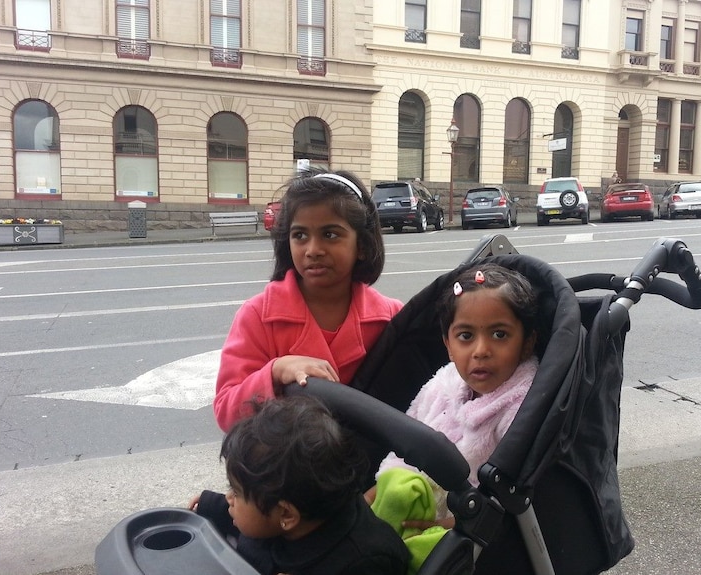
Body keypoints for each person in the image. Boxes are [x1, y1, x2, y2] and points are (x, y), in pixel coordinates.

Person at [214, 169, 403, 431]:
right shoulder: (257, 315)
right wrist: (275, 372)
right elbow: (226, 412)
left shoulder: (392, 318)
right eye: (300, 235)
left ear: (362, 245)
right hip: (289, 467)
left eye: (330, 234)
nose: (313, 250)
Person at [370, 262, 539, 528]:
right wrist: (377, 491)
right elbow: (406, 444)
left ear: (527, 343)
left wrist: (447, 527)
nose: (481, 350)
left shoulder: (520, 406)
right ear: (448, 345)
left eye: (499, 334)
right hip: (418, 500)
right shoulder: (443, 383)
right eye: (466, 336)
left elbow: (510, 500)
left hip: (467, 527)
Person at [190, 396, 410, 575]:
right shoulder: (295, 506)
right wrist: (214, 506)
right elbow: (255, 517)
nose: (229, 497)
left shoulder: (363, 562)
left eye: (236, 493)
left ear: (286, 514)